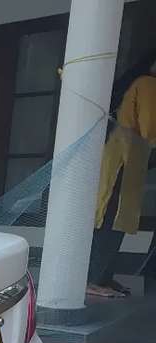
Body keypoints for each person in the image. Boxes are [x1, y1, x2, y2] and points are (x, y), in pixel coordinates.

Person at [89, 61, 156, 298]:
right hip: (124, 158)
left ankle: (103, 276)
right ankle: (92, 279)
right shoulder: (148, 84)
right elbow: (149, 128)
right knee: (111, 219)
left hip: (129, 156)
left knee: (117, 221)